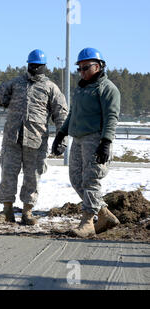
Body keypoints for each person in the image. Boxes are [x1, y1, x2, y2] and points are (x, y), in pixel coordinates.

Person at [0, 49, 68, 225]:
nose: (34, 69)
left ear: (43, 67)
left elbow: (61, 114)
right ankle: (7, 211)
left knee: (32, 176)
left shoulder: (51, 88)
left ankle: (27, 212)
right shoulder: (16, 83)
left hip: (36, 141)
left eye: (37, 66)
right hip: (12, 139)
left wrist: (62, 138)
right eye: (31, 65)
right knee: (8, 174)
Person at [52, 47, 120, 238]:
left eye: (86, 67)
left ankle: (88, 222)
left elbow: (111, 117)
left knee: (91, 179)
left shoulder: (107, 89)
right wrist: (61, 134)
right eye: (79, 68)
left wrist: (106, 142)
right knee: (76, 179)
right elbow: (73, 114)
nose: (82, 72)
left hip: (95, 138)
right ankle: (105, 215)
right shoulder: (82, 89)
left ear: (98, 66)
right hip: (79, 139)